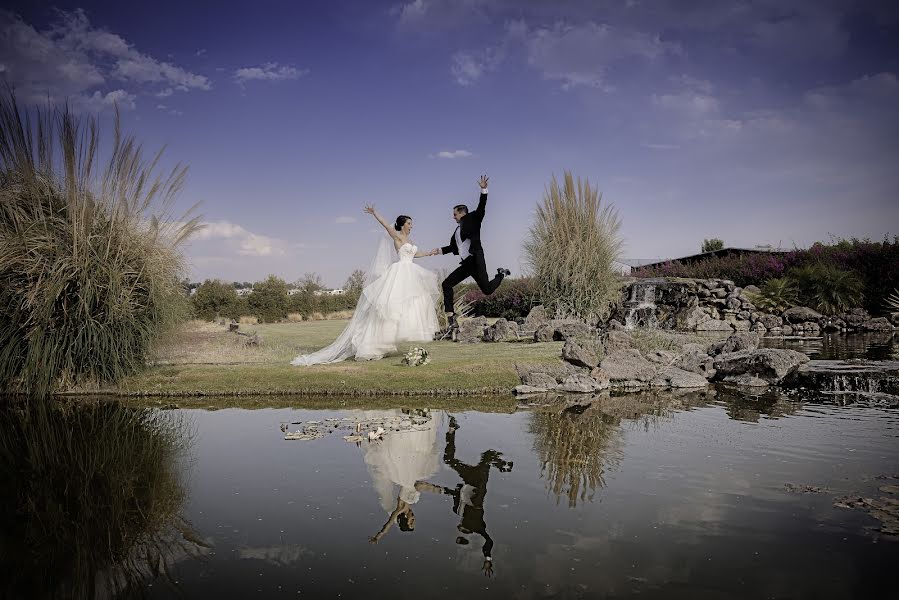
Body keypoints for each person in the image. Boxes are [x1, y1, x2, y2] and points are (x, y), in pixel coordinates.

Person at [290, 206, 441, 365]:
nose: (412, 226)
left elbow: (415, 254)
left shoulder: (410, 241)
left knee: (410, 305)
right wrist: (375, 213)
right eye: (409, 223)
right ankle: (375, 345)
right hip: (400, 272)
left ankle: (391, 340)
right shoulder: (396, 236)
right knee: (390, 307)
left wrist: (430, 252)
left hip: (411, 273)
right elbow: (385, 224)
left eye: (412, 223)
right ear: (403, 224)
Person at [415, 416, 513, 577]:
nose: (461, 523)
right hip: (479, 483)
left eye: (460, 525)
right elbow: (488, 541)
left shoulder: (458, 510)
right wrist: (487, 557)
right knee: (487, 457)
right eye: (463, 525)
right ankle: (502, 465)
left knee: (449, 459)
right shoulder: (478, 526)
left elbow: (451, 492)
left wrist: (428, 487)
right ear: (467, 526)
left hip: (469, 479)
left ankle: (452, 429)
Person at [439, 175, 511, 331]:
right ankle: (451, 317)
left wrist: (483, 190)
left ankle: (501, 274)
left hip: (476, 260)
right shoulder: (457, 231)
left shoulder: (473, 218)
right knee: (446, 284)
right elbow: (453, 247)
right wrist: (438, 251)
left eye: (455, 214)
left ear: (462, 213)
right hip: (466, 264)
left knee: (487, 290)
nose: (453, 217)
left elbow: (482, 207)